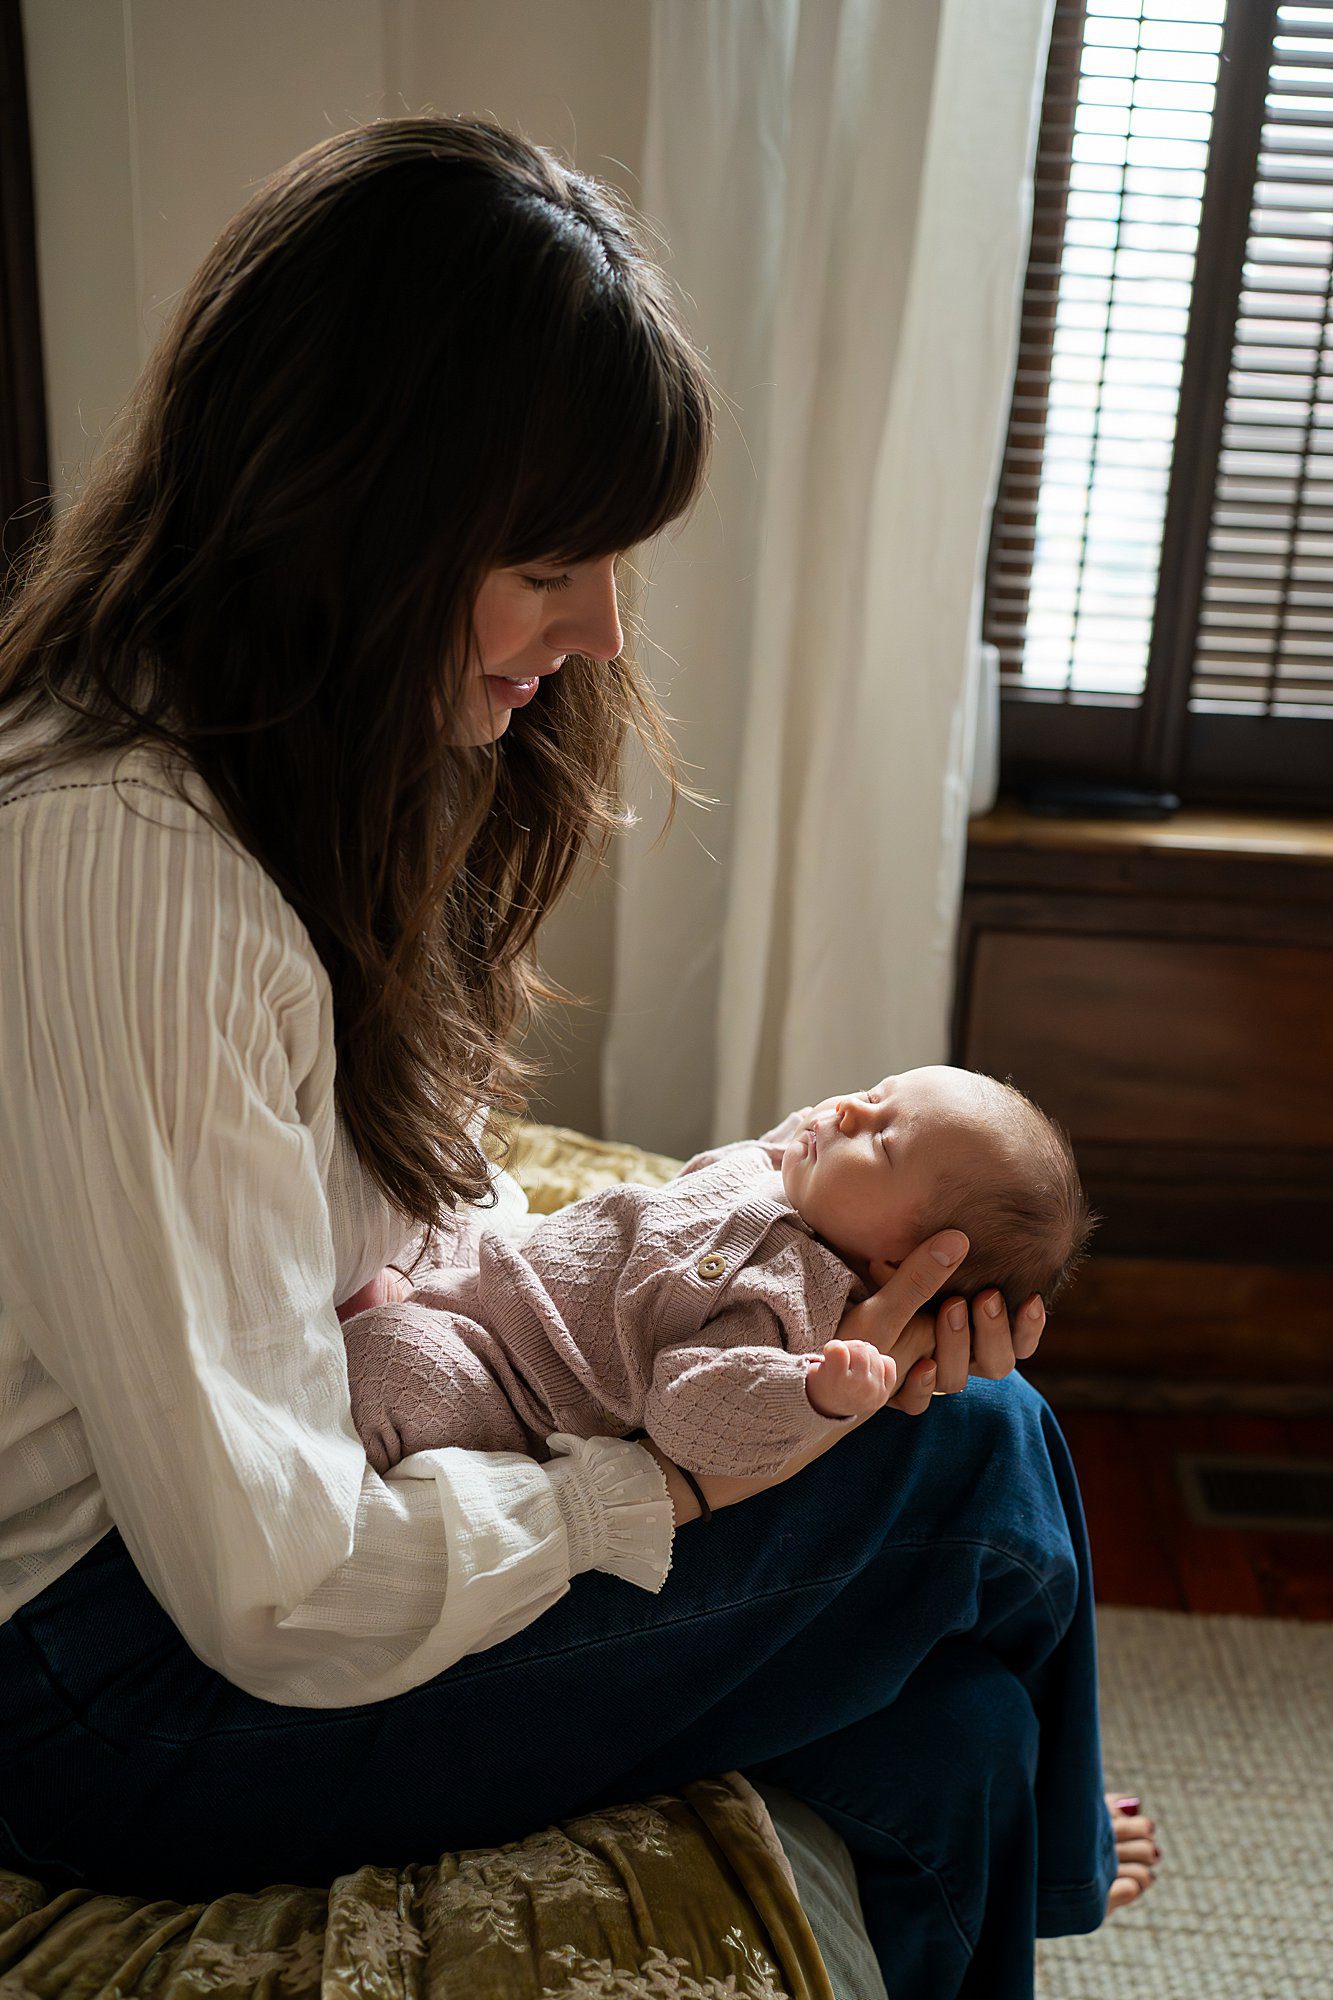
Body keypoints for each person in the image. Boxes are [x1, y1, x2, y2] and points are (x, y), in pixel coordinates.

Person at [0, 116, 1157, 1999]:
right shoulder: (123, 880)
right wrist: (666, 1484)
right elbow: (274, 1591)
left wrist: (787, 1350)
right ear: (344, 513)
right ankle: (1065, 1839)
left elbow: (399, 1214)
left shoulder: (321, 770)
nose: (602, 627)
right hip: (107, 1678)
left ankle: (1035, 1823)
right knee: (969, 1464)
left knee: (961, 1753)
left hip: (224, 1574)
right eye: (548, 562)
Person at [340, 1067, 1097, 1480]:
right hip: (497, 1269)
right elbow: (801, 1133)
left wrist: (811, 1393)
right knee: (428, 1200)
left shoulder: (792, 1306)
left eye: (883, 1139)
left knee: (394, 1364)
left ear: (905, 1263)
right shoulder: (783, 1169)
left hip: (512, 1380)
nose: (842, 1112)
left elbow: (688, 1414)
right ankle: (385, 1289)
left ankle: (343, 1396)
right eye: (871, 1095)